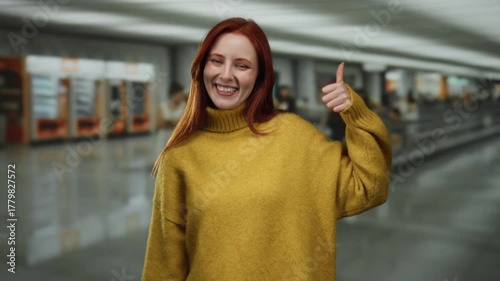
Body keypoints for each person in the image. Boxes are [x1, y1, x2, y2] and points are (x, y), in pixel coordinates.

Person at [142, 17, 391, 281]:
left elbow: (370, 186)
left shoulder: (294, 136)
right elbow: (164, 262)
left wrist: (356, 113)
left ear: (260, 75)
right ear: (202, 67)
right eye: (216, 61)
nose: (226, 75)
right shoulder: (180, 156)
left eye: (242, 65)